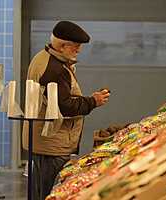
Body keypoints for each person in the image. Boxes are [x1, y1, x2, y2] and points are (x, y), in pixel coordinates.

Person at [22, 21, 110, 200]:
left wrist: (88, 99)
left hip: (47, 141)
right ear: (63, 46)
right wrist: (94, 101)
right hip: (52, 144)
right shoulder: (54, 69)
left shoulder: (47, 58)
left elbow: (58, 101)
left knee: (42, 190)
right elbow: (64, 107)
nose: (79, 51)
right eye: (76, 47)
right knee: (47, 193)